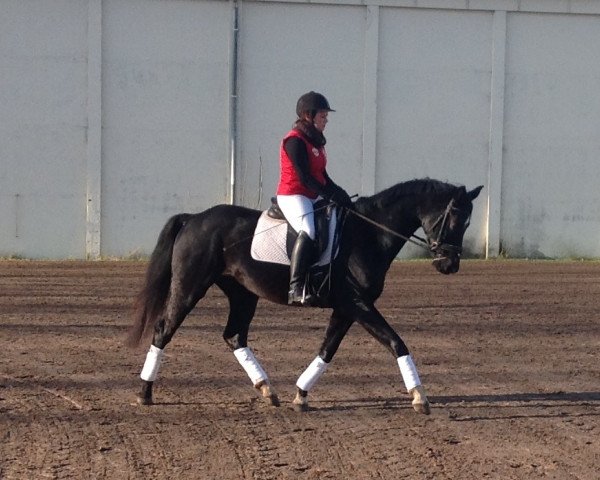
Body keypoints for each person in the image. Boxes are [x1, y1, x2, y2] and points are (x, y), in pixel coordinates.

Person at [276, 91, 353, 306]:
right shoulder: (295, 140)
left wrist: (340, 194)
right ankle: (296, 287)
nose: (326, 120)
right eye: (323, 116)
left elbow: (322, 176)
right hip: (293, 194)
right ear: (308, 115)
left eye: (326, 116)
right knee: (309, 229)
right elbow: (305, 177)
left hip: (311, 193)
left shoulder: (317, 141)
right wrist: (328, 195)